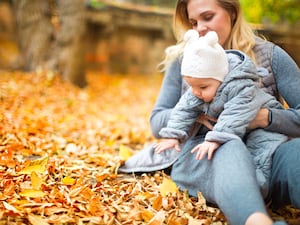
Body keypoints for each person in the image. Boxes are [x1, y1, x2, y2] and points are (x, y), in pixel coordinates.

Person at [119, 0, 300, 225]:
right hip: (206, 155)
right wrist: (197, 111)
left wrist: (266, 118)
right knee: (227, 145)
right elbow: (157, 120)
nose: (199, 28)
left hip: (268, 151)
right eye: (193, 22)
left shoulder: (271, 56)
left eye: (207, 17)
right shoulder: (184, 60)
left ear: (232, 13)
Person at [153, 29, 288, 199]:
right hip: (239, 129)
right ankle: (240, 187)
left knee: (261, 150)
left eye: (202, 87)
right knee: (236, 154)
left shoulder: (241, 87)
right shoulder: (201, 86)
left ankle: (259, 186)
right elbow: (183, 109)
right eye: (191, 86)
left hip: (265, 128)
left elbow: (234, 115)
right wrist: (173, 135)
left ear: (221, 78)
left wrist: (215, 138)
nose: (195, 92)